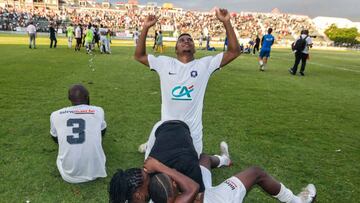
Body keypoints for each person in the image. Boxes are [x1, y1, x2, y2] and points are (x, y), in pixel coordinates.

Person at [134, 8, 240, 157]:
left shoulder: (205, 64)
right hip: (167, 129)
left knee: (195, 163)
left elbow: (234, 51)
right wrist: (145, 27)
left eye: (190, 39)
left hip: (192, 132)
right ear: (176, 48)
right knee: (158, 165)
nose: (186, 41)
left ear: (194, 48)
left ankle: (223, 159)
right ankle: (152, 142)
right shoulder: (164, 63)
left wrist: (226, 21)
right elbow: (139, 56)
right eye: (182, 40)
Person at [109, 120, 231, 203]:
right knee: (203, 158)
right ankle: (224, 159)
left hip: (183, 132)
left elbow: (196, 192)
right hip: (163, 129)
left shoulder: (186, 164)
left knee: (203, 161)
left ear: (138, 195)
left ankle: (225, 159)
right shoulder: (148, 170)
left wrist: (161, 167)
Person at [145, 156, 316, 203]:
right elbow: (193, 188)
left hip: (205, 194)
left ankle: (224, 159)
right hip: (218, 199)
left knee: (203, 158)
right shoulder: (186, 193)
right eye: (173, 184)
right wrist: (159, 166)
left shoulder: (159, 197)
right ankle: (297, 201)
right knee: (256, 172)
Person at [50, 84, 107, 183]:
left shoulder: (55, 114)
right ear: (87, 97)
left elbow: (55, 138)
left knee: (60, 156)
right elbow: (102, 132)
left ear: (69, 98)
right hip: (96, 171)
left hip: (69, 175)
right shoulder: (98, 111)